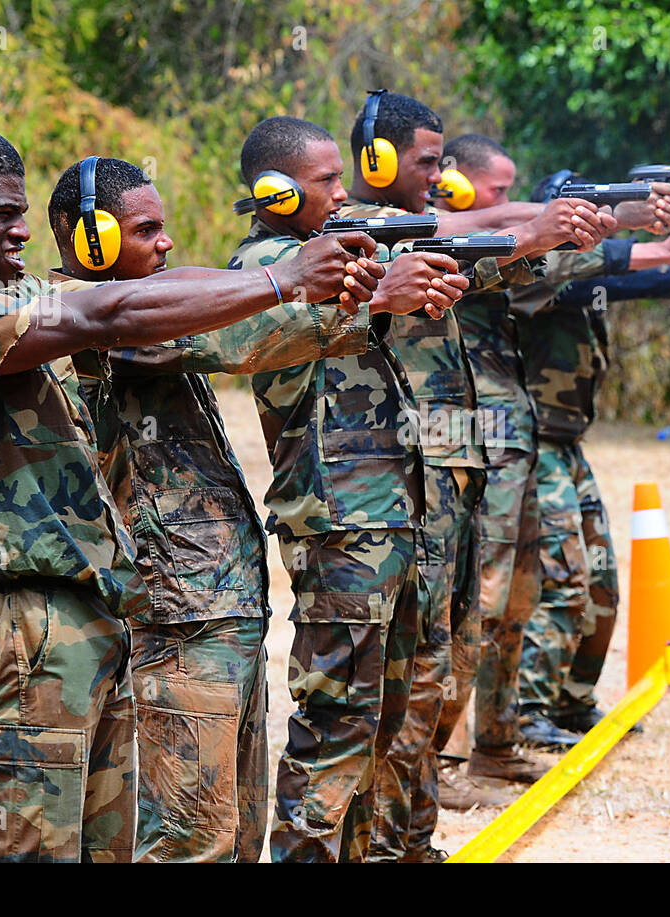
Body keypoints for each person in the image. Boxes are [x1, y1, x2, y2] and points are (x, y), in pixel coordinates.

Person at [0, 111, 384, 862]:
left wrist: (288, 287)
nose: (19, 232)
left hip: (92, 612)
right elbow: (107, 307)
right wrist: (279, 278)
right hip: (26, 615)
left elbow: (143, 292)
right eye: (3, 214)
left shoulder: (8, 294)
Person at [47, 154, 460, 862]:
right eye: (147, 230)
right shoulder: (98, 318)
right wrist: (358, 298)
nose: (167, 243)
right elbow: (238, 335)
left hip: (217, 602)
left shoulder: (151, 302)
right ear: (93, 240)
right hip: (177, 610)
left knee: (233, 833)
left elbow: (222, 305)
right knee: (190, 837)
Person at [342, 97, 630, 860]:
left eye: (442, 162)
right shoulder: (350, 235)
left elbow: (492, 251)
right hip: (408, 477)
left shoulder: (428, 235)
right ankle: (388, 829)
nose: (438, 179)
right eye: (426, 163)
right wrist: (537, 227)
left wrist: (572, 230)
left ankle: (413, 827)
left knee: (453, 644)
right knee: (414, 661)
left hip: (460, 466)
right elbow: (464, 231)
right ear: (375, 161)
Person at [230, 115, 471, 862]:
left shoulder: (341, 251)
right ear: (275, 191)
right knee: (335, 725)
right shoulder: (264, 264)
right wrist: (380, 297)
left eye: (342, 176)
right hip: (340, 528)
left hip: (393, 520)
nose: (343, 194)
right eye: (326, 181)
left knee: (387, 723)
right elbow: (262, 332)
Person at [512, 172, 670, 735]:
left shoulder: (586, 269)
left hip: (566, 441)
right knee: (564, 580)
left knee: (601, 581)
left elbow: (640, 280)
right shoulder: (540, 271)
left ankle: (570, 703)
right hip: (535, 441)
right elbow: (628, 280)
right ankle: (528, 714)